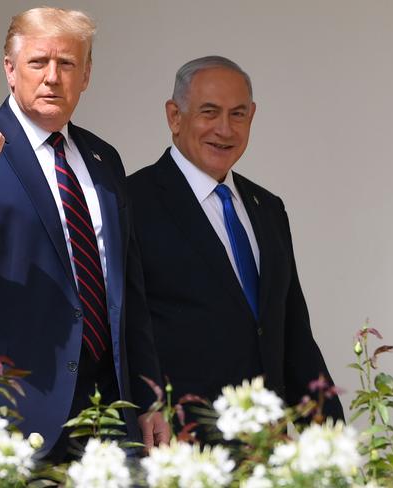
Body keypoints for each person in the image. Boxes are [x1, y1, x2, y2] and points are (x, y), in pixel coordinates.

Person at [0, 7, 168, 458]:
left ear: (86, 74)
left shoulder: (103, 160)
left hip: (103, 411)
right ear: (10, 70)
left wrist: (148, 398)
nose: (52, 77)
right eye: (38, 63)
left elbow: (129, 292)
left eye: (66, 64)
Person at [127, 56, 344, 438]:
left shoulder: (268, 208)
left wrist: (331, 442)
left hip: (264, 446)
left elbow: (292, 336)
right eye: (209, 112)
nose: (224, 129)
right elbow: (125, 331)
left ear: (252, 117)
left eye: (238, 114)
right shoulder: (131, 202)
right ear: (174, 116)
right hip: (181, 446)